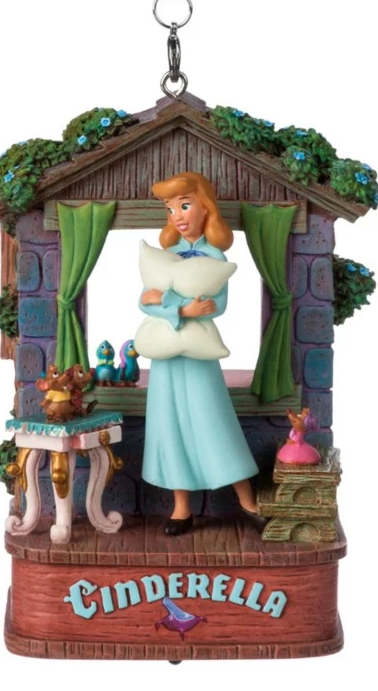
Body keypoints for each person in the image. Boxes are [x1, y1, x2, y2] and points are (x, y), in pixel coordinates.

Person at [139, 171, 266, 535]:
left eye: (184, 205)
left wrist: (169, 302)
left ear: (204, 206)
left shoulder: (214, 256)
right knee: (170, 425)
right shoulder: (165, 256)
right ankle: (181, 507)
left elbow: (215, 304)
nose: (177, 216)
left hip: (198, 353)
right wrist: (179, 307)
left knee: (213, 421)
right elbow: (145, 301)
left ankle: (247, 499)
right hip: (166, 354)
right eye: (170, 209)